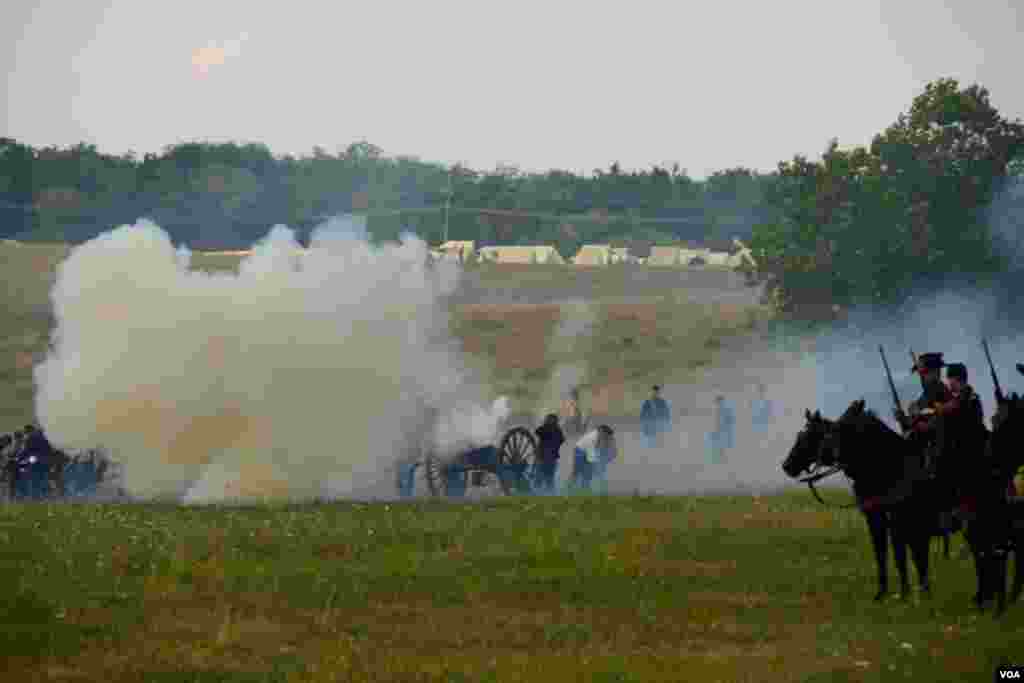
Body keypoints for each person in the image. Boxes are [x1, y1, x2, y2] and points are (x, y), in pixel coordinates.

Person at [534, 414, 565, 494]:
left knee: (544, 476)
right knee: (547, 477)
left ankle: (544, 492)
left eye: (550, 419)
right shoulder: (556, 430)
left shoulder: (553, 430)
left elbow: (537, 431)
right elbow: (562, 440)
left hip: (546, 456)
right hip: (546, 456)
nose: (550, 421)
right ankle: (546, 492)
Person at [706, 396, 735, 464]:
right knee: (720, 444)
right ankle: (721, 457)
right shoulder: (720, 409)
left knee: (721, 444)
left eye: (718, 401)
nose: (717, 403)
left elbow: (728, 419)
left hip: (722, 429)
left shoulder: (722, 409)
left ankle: (722, 458)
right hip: (721, 429)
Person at [591, 425, 618, 494]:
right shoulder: (600, 437)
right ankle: (600, 487)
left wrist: (608, 457)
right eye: (598, 431)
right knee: (598, 473)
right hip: (600, 457)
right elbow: (595, 446)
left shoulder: (610, 438)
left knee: (600, 472)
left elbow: (613, 450)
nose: (598, 432)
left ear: (604, 431)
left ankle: (601, 489)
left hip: (603, 457)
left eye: (600, 431)